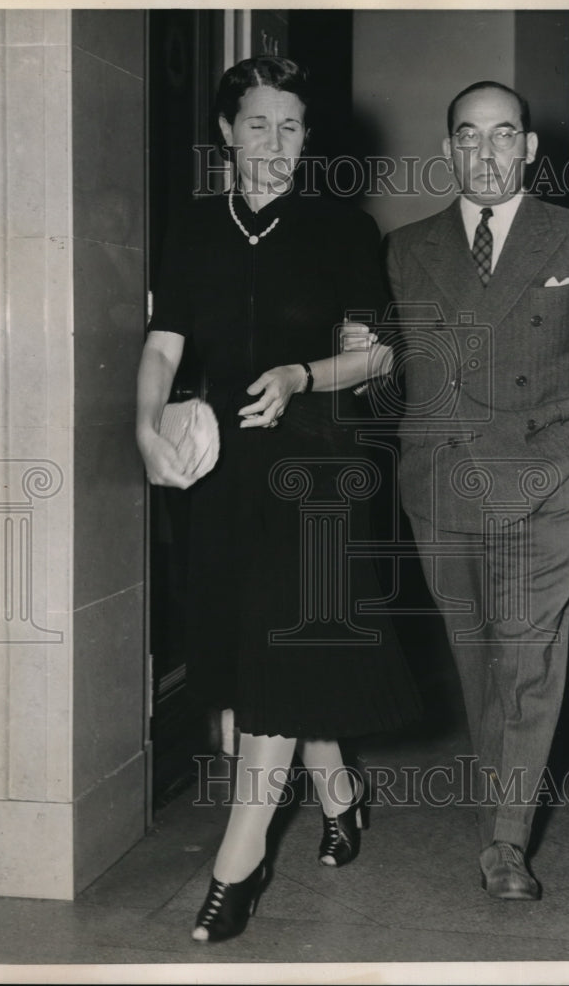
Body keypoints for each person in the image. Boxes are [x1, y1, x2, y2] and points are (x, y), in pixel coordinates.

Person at [136, 56, 421, 943]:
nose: (274, 145)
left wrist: (304, 374)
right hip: (221, 468)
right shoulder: (193, 228)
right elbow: (161, 347)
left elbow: (377, 354)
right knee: (259, 650)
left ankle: (240, 860)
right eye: (256, 125)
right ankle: (338, 789)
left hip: (317, 468)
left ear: (308, 138)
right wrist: (146, 428)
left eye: (291, 128)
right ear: (227, 132)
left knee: (284, 636)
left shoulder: (342, 229)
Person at [383, 81, 569, 899]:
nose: (487, 153)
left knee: (529, 657)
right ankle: (502, 803)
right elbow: (401, 368)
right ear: (449, 149)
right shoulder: (407, 247)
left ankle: (507, 839)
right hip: (444, 484)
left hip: (549, 480)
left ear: (529, 149)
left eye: (505, 136)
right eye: (470, 136)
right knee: (477, 659)